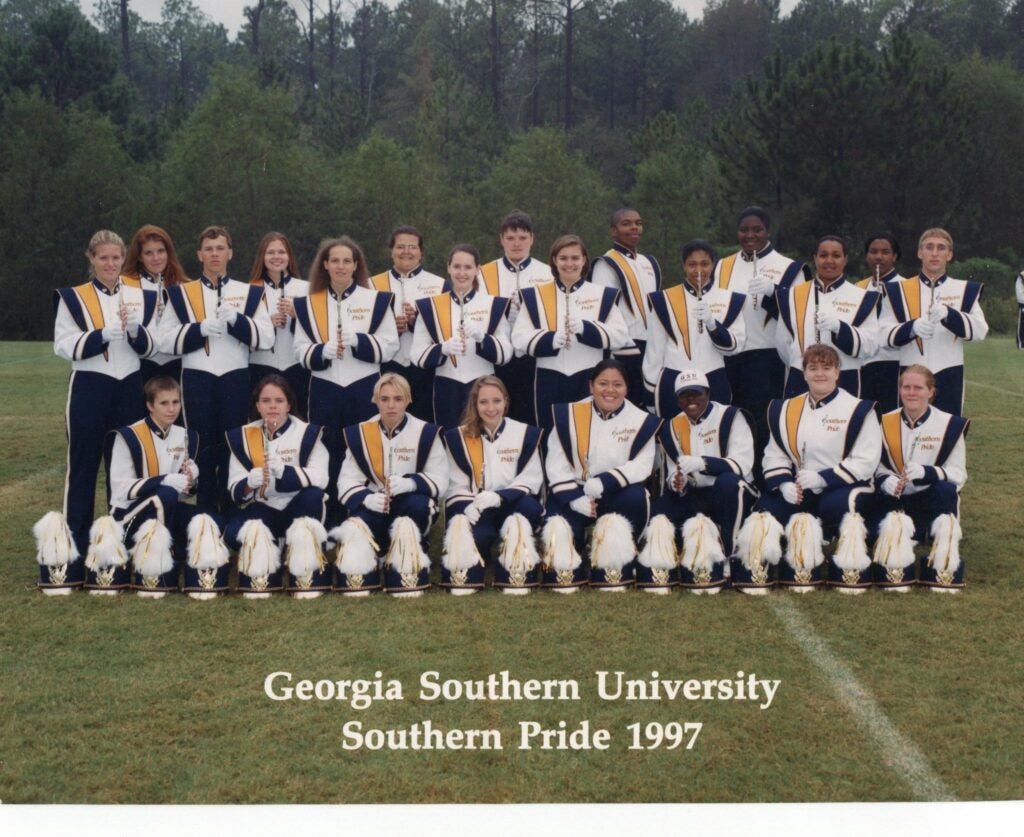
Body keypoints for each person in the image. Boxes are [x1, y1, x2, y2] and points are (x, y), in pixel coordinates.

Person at [735, 344, 881, 594]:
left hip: (843, 486)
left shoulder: (858, 409)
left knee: (836, 508)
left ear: (838, 372)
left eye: (826, 368)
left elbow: (866, 461)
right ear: (803, 373)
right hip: (800, 487)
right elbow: (774, 454)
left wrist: (823, 479)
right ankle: (765, 563)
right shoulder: (786, 409)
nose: (819, 374)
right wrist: (784, 483)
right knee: (765, 510)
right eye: (813, 368)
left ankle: (847, 563)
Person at [54, 229, 159, 565]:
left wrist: (134, 332)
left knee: (125, 466)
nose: (110, 263)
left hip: (128, 385)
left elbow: (152, 346)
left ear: (123, 258)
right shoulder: (74, 297)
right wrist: (100, 336)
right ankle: (74, 544)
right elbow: (62, 344)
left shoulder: (141, 295)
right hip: (89, 384)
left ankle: (121, 540)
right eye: (103, 257)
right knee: (83, 465)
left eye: (116, 257)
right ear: (92, 259)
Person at [158, 225, 274, 514]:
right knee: (201, 451)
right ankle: (205, 520)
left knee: (233, 448)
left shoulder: (249, 293)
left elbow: (266, 337)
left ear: (230, 253)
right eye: (208, 249)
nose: (214, 254)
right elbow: (163, 340)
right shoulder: (181, 294)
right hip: (197, 378)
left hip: (235, 377)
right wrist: (198, 330)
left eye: (220, 248)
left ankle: (231, 516)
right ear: (199, 254)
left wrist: (238, 320)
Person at [292, 236, 399, 516]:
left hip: (364, 386)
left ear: (356, 266)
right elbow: (299, 351)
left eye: (347, 261)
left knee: (364, 448)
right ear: (325, 264)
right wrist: (321, 351)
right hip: (325, 388)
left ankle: (367, 512)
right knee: (328, 449)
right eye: (335, 260)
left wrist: (360, 341)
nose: (341, 266)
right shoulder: (307, 304)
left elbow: (390, 347)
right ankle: (333, 514)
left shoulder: (377, 300)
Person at [543, 360, 661, 591]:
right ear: (591, 386)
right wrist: (575, 499)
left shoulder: (641, 421)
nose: (610, 390)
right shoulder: (569, 415)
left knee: (637, 497)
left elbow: (643, 466)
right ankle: (576, 556)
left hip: (615, 492)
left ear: (626, 389)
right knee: (560, 528)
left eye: (617, 384)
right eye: (603, 383)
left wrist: (606, 481)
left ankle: (622, 559)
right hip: (575, 493)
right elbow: (555, 464)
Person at [640, 370, 757, 594]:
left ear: (708, 393)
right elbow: (675, 471)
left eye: (696, 393)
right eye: (684, 395)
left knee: (728, 483)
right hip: (697, 493)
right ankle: (667, 563)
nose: (691, 400)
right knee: (660, 510)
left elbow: (741, 465)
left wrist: (703, 463)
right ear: (677, 399)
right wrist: (677, 481)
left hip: (733, 493)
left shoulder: (732, 416)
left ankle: (730, 557)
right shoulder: (673, 425)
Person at [713, 207, 808, 481]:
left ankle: (769, 479)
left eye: (757, 230)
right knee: (735, 423)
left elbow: (798, 317)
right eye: (744, 230)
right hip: (730, 355)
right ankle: (741, 478)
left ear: (768, 232)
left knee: (764, 422)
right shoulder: (724, 265)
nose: (750, 235)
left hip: (768, 358)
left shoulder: (789, 268)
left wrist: (773, 295)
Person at [334, 373, 449, 596]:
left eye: (398, 398)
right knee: (358, 522)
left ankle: (413, 549)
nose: (391, 405)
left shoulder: (426, 432)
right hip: (375, 503)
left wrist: (410, 484)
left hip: (409, 504)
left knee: (419, 505)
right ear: (375, 401)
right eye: (384, 399)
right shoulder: (361, 433)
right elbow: (345, 481)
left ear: (408, 400)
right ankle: (377, 553)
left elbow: (441, 479)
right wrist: (366, 497)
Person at [225, 375, 330, 597]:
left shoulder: (307, 433)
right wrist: (248, 483)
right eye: (266, 400)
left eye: (279, 400)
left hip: (297, 506)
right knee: (233, 535)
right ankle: (275, 546)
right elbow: (234, 487)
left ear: (289, 404)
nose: (272, 406)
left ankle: (300, 553)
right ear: (257, 405)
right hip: (264, 506)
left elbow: (321, 478)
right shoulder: (244, 436)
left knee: (314, 496)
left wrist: (285, 472)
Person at [512, 235, 631, 428]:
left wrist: (587, 328)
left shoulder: (603, 295)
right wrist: (549, 339)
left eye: (575, 258)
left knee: (588, 435)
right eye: (563, 258)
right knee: (550, 436)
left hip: (590, 377)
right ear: (554, 260)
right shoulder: (534, 295)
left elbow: (620, 336)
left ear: (584, 260)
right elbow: (518, 339)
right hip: (548, 378)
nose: (569, 263)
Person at [870, 365, 968, 592]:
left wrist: (928, 472)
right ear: (900, 390)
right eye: (906, 387)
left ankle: (934, 536)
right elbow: (875, 467)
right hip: (894, 500)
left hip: (929, 500)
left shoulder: (950, 424)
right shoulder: (884, 422)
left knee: (945, 489)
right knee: (873, 539)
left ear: (931, 392)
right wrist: (885, 480)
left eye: (918, 388)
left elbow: (958, 475)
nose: (911, 393)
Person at [442, 376, 544, 594]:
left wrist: (500, 497)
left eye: (496, 401)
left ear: (506, 401)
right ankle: (489, 551)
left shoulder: (525, 433)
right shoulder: (457, 438)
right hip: (479, 507)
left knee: (529, 510)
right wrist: (470, 504)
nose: (491, 408)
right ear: (475, 404)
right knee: (478, 537)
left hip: (512, 504)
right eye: (483, 402)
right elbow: (455, 484)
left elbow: (531, 479)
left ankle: (517, 558)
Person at [106, 376, 204, 597]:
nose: (171, 409)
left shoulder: (185, 436)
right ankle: (157, 561)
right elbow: (120, 490)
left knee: (207, 520)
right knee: (166, 494)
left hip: (166, 506)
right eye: (164, 403)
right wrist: (163, 480)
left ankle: (178, 556)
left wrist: (191, 479)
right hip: (127, 517)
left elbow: (182, 493)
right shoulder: (128, 435)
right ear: (150, 405)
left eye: (175, 402)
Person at [879, 228, 988, 416]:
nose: (935, 253)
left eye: (941, 248)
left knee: (947, 432)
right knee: (910, 431)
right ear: (920, 253)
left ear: (950, 254)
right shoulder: (897, 290)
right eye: (929, 247)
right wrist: (911, 328)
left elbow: (980, 331)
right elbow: (882, 336)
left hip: (949, 373)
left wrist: (950, 315)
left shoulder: (964, 289)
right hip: (910, 372)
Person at [411, 244, 512, 428]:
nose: (462, 273)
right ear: (448, 267)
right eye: (457, 267)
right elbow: (416, 355)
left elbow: (505, 355)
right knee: (449, 442)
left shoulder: (494, 305)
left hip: (483, 386)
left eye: (468, 267)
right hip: (446, 386)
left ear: (477, 269)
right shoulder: (430, 306)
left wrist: (483, 338)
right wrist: (443, 348)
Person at [643, 239, 746, 417]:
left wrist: (712, 324)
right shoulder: (663, 300)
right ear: (684, 266)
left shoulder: (730, 299)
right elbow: (654, 352)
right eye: (692, 264)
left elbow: (735, 347)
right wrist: (650, 394)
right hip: (673, 380)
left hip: (714, 378)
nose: (699, 270)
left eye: (705, 264)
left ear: (713, 265)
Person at [776, 235, 880, 397]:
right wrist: (804, 364)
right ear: (814, 258)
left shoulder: (863, 297)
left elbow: (871, 345)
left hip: (845, 377)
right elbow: (783, 343)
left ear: (845, 259)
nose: (829, 261)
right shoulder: (793, 295)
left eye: (836, 256)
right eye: (823, 255)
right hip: (801, 378)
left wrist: (841, 329)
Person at [478, 210, 552, 424]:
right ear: (502, 239)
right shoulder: (483, 273)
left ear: (532, 239)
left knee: (530, 418)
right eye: (510, 238)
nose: (516, 244)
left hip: (533, 358)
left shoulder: (547, 273)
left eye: (522, 238)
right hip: (495, 358)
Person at [369, 226, 447, 419]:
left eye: (412, 247)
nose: (406, 251)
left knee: (424, 423)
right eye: (400, 246)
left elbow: (446, 329)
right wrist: (390, 328)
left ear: (421, 252)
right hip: (387, 364)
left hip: (425, 368)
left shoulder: (439, 284)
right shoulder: (371, 285)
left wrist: (416, 323)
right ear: (391, 251)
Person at [590, 207, 661, 408]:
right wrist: (625, 346)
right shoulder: (606, 263)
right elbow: (603, 311)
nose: (634, 228)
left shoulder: (650, 262)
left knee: (648, 404)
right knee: (625, 404)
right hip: (623, 346)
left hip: (651, 345)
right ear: (614, 230)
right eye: (626, 223)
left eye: (638, 223)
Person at [248, 232, 311, 418]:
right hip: (260, 365)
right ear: (262, 257)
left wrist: (299, 315)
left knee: (299, 420)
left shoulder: (307, 288)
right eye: (270, 252)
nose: (276, 257)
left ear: (289, 256)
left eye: (281, 252)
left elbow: (318, 331)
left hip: (296, 366)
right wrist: (267, 323)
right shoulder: (249, 290)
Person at [122, 224, 189, 384]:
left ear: (169, 252)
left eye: (160, 251)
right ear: (139, 256)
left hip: (176, 363)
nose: (156, 258)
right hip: (139, 364)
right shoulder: (124, 285)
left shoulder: (185, 285)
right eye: (148, 253)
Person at [857, 235, 904, 414]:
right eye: (873, 252)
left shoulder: (906, 287)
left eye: (885, 252)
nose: (879, 257)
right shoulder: (858, 288)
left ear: (895, 256)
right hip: (864, 365)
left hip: (894, 364)